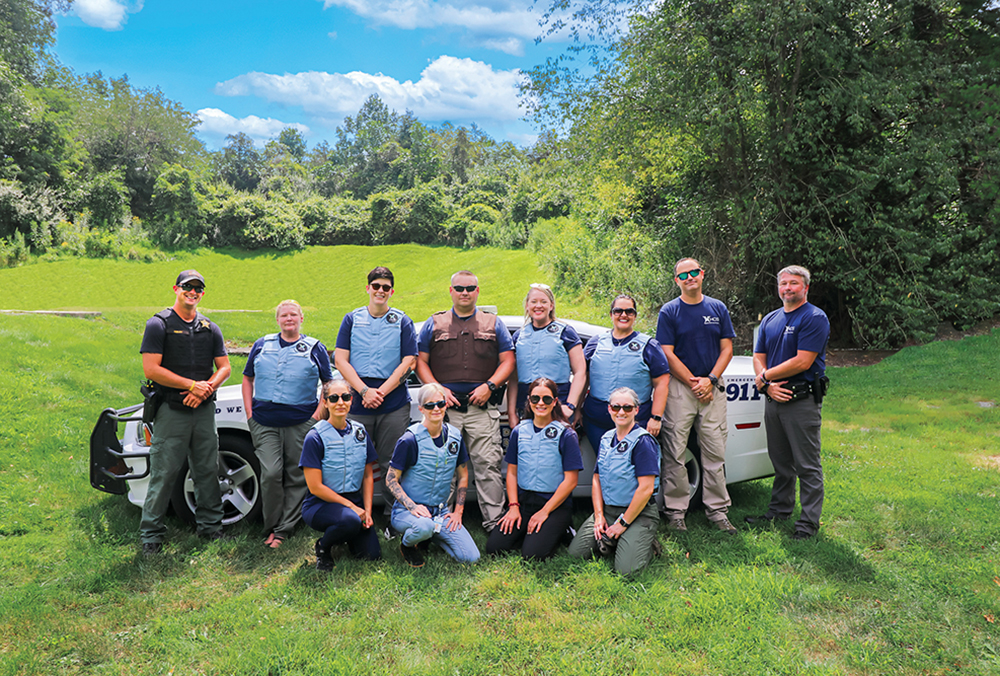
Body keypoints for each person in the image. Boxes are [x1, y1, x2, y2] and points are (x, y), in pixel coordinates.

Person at [138, 270, 231, 556]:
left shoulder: (210, 327)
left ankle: (210, 527)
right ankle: (151, 535)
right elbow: (151, 369)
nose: (192, 292)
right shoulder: (159, 324)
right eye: (187, 287)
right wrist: (192, 385)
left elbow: (225, 367)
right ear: (176, 289)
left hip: (203, 411)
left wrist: (205, 389)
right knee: (164, 472)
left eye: (198, 289)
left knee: (207, 470)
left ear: (202, 294)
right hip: (171, 411)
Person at [415, 270, 515, 533]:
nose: (465, 292)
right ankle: (439, 524)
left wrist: (490, 385)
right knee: (443, 467)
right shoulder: (434, 323)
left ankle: (494, 524)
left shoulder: (493, 323)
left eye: (470, 288)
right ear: (450, 291)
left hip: (482, 408)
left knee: (488, 466)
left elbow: (508, 361)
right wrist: (436, 389)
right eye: (459, 288)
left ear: (477, 291)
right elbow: (420, 362)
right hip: (444, 410)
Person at [748, 265, 830, 540]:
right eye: (783, 284)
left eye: (793, 283)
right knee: (780, 461)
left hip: (801, 399)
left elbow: (803, 361)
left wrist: (764, 378)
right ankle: (780, 510)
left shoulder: (814, 317)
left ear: (806, 287)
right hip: (774, 398)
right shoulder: (770, 319)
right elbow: (758, 354)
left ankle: (808, 524)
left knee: (807, 465)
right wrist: (767, 385)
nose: (787, 288)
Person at [242, 300, 333, 549]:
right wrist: (249, 413)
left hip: (301, 423)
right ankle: (270, 525)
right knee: (270, 473)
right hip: (264, 422)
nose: (289, 318)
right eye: (284, 315)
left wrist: (316, 417)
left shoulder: (315, 348)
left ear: (301, 318)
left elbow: (329, 385)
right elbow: (247, 378)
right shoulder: (262, 345)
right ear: (278, 320)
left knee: (297, 475)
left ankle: (284, 529)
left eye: (293, 314)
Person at [656, 258, 738, 534]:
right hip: (681, 388)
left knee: (715, 451)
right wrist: (694, 383)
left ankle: (717, 511)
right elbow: (667, 352)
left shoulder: (718, 308)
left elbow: (726, 348)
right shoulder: (669, 311)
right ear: (676, 280)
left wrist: (710, 380)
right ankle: (676, 512)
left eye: (694, 272)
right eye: (684, 274)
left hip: (712, 386)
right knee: (675, 452)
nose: (690, 277)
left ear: (702, 274)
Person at [334, 267, 418, 507]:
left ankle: (395, 516)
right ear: (368, 288)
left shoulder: (403, 320)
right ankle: (353, 513)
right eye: (376, 286)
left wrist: (380, 392)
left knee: (392, 461)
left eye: (385, 287)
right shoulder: (352, 319)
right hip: (358, 402)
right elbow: (340, 360)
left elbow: (410, 361)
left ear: (391, 292)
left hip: (392, 403)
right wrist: (364, 391)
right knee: (354, 460)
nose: (380, 290)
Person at [486, 377, 583, 560]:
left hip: (554, 505)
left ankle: (563, 528)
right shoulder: (519, 430)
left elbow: (571, 481)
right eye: (535, 398)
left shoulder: (566, 433)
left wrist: (545, 512)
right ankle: (534, 530)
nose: (540, 403)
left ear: (555, 402)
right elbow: (512, 472)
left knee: (532, 555)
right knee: (495, 548)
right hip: (524, 503)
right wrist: (513, 506)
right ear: (529, 401)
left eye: (547, 399)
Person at [568, 387, 661, 576]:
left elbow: (646, 488)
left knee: (626, 571)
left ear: (636, 410)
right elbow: (597, 478)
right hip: (609, 510)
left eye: (627, 408)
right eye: (616, 407)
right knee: (575, 554)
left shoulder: (643, 442)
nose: (621, 412)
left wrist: (623, 524)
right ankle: (618, 538)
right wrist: (599, 515)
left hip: (637, 513)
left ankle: (647, 543)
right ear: (609, 409)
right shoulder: (606, 438)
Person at [386, 383, 481, 567]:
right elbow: (391, 480)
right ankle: (408, 545)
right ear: (421, 408)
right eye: (430, 405)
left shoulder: (455, 436)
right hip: (407, 512)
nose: (436, 408)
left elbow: (463, 474)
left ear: (446, 405)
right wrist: (412, 507)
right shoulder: (409, 440)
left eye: (440, 404)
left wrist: (458, 512)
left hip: (441, 512)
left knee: (470, 558)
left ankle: (430, 536)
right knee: (424, 526)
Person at [299, 377, 382, 571]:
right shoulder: (315, 436)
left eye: (345, 397)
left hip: (353, 501)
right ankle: (323, 547)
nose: (340, 403)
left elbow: (368, 474)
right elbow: (315, 486)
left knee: (371, 555)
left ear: (351, 400)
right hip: (320, 504)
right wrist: (352, 507)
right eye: (334, 398)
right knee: (350, 519)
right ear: (325, 402)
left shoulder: (360, 432)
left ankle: (345, 533)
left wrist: (367, 511)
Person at [581, 294, 670, 454]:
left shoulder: (649, 346)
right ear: (611, 314)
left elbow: (662, 383)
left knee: (631, 467)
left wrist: (656, 418)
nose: (623, 315)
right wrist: (576, 411)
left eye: (629, 311)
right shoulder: (595, 343)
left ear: (635, 315)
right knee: (603, 464)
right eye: (618, 311)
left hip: (636, 421)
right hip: (596, 422)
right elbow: (583, 379)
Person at [506, 283, 587, 427]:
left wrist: (570, 406)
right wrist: (511, 412)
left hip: (558, 406)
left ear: (551, 306)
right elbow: (513, 378)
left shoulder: (566, 333)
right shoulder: (519, 336)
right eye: (534, 302)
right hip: (526, 408)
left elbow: (580, 372)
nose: (539, 306)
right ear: (527, 305)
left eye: (544, 302)